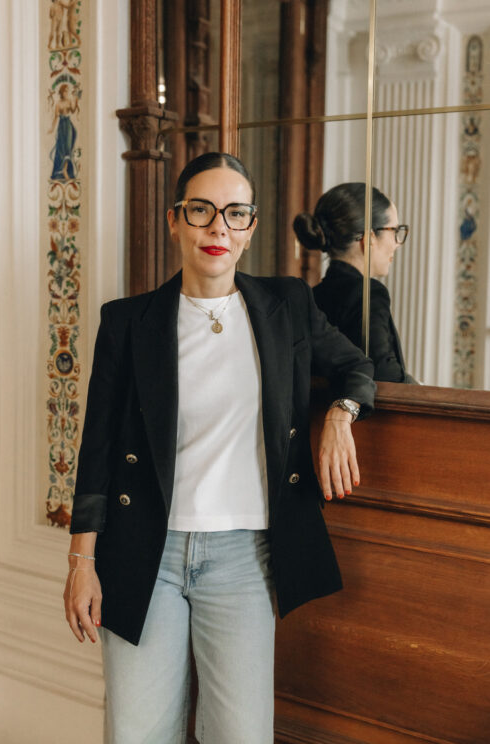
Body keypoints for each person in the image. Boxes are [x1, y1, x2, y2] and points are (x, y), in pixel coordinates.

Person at [64, 153, 376, 744]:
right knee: (137, 733)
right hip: (145, 552)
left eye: (235, 214)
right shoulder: (128, 322)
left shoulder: (288, 305)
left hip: (244, 559)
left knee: (241, 734)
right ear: (174, 220)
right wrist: (82, 562)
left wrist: (341, 414)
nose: (218, 228)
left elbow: (357, 366)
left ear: (251, 227)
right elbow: (97, 446)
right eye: (201, 211)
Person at [294, 182, 416, 383]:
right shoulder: (369, 293)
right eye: (394, 231)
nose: (397, 243)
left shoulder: (313, 295)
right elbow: (383, 374)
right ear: (369, 238)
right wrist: (418, 387)